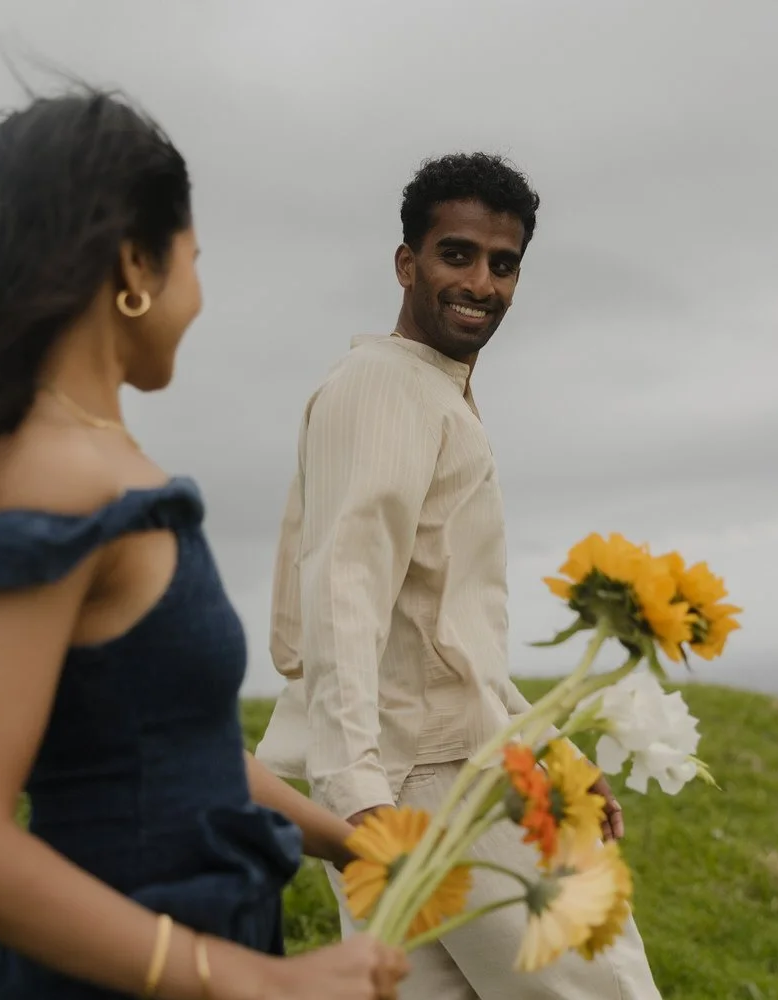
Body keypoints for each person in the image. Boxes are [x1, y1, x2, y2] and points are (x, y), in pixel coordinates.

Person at [0, 85, 408, 1000]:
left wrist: (356, 841)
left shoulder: (99, 462)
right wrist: (255, 981)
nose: (202, 296)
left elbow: (182, 748)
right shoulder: (49, 478)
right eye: (195, 261)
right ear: (137, 263)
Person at [253, 153, 665, 999]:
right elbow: (346, 591)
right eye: (457, 255)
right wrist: (358, 792)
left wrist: (551, 746)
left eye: (503, 263)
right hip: (437, 788)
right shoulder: (384, 388)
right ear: (407, 263)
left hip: (415, 776)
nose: (481, 281)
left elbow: (442, 633)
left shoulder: (430, 393)